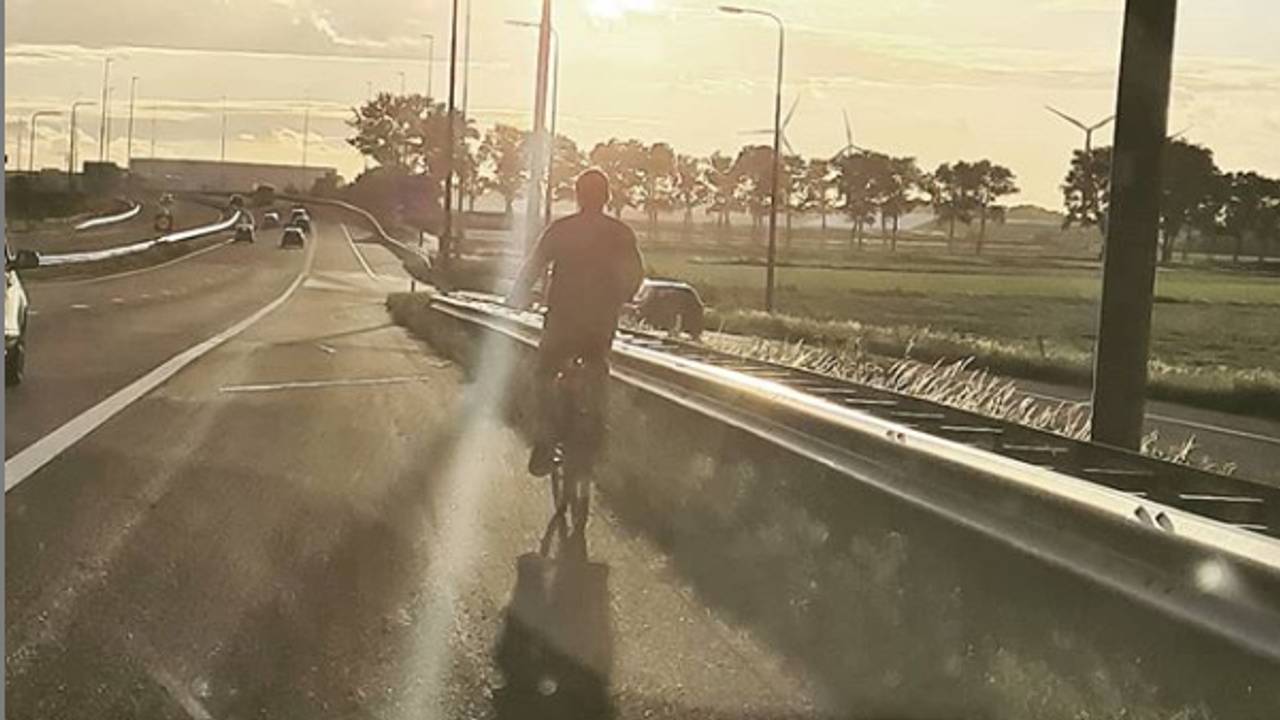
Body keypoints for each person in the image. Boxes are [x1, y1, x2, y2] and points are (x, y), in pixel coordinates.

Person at [506, 168, 645, 477]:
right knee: (598, 369)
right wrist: (622, 297)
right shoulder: (620, 233)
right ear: (606, 198)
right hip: (600, 324)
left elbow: (533, 267)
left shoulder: (561, 230)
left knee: (544, 374)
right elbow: (635, 274)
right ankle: (598, 432)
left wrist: (517, 296)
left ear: (578, 196)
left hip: (562, 322)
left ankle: (545, 443)